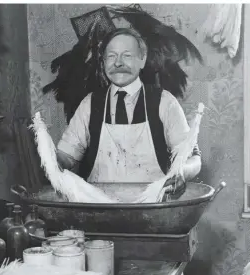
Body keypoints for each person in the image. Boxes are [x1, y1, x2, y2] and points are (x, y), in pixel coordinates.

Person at [56, 27, 201, 196]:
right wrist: (50, 161)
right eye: (111, 56)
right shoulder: (90, 103)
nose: (118, 63)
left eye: (127, 55)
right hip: (99, 208)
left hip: (152, 207)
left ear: (142, 60)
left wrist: (182, 173)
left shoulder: (164, 102)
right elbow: (66, 156)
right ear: (103, 62)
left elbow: (192, 159)